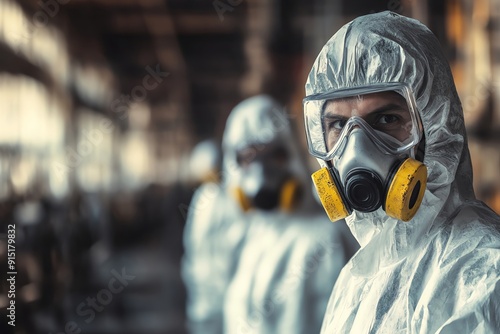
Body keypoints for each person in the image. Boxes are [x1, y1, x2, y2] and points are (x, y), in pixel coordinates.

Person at [303, 11, 500, 333]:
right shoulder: (356, 277)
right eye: (339, 125)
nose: (356, 150)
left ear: (436, 126)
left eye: (386, 120)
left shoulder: (485, 269)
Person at [221, 95, 358, 334]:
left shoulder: (327, 239)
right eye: (247, 157)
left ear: (294, 154)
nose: (261, 172)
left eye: (275, 155)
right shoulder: (250, 236)